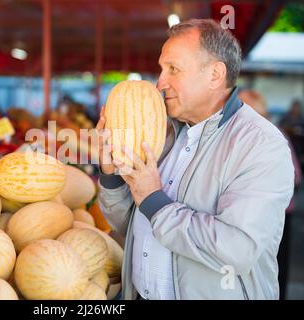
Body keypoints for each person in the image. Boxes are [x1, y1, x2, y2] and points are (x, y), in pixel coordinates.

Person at [96, 19, 295, 300]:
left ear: (215, 75)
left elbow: (236, 250)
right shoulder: (165, 133)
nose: (160, 83)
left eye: (173, 69)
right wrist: (112, 174)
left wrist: (154, 198)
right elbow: (133, 226)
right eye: (161, 69)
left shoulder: (261, 145)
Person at [238, 89, 302, 300]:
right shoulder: (244, 136)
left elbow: (295, 177)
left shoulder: (271, 135)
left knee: (273, 267)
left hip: (278, 213)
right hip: (255, 215)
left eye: (244, 108)